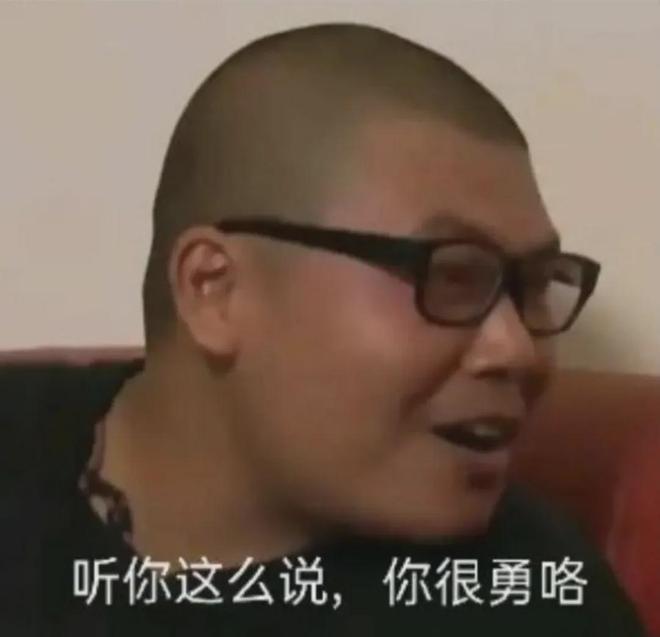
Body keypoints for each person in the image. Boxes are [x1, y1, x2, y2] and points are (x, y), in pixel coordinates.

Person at [1, 22, 644, 636]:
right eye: (451, 276)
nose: (518, 349)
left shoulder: (533, 603)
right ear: (214, 288)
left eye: (535, 286)